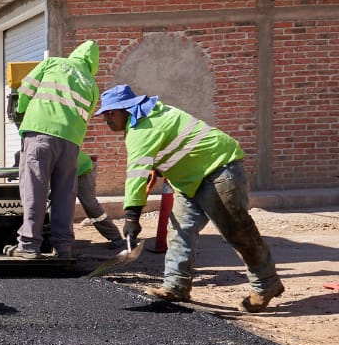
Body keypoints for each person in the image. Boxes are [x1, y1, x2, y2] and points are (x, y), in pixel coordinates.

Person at [94, 84, 284, 312]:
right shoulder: (150, 116)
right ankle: (176, 286)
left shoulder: (142, 130)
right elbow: (175, 146)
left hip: (218, 169)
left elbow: (136, 174)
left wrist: (132, 216)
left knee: (237, 230)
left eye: (111, 113)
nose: (107, 119)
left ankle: (266, 283)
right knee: (180, 231)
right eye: (104, 114)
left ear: (127, 109)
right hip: (189, 180)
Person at [7, 39, 100, 260]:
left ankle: (29, 245)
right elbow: (85, 119)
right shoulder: (92, 86)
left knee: (34, 188)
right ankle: (63, 247)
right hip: (71, 142)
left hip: (39, 132)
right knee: (65, 194)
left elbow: (26, 87)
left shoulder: (53, 63)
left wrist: (22, 112)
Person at [76, 151, 125, 249]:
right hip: (62, 171)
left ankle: (115, 236)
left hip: (83, 169)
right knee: (57, 205)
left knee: (90, 205)